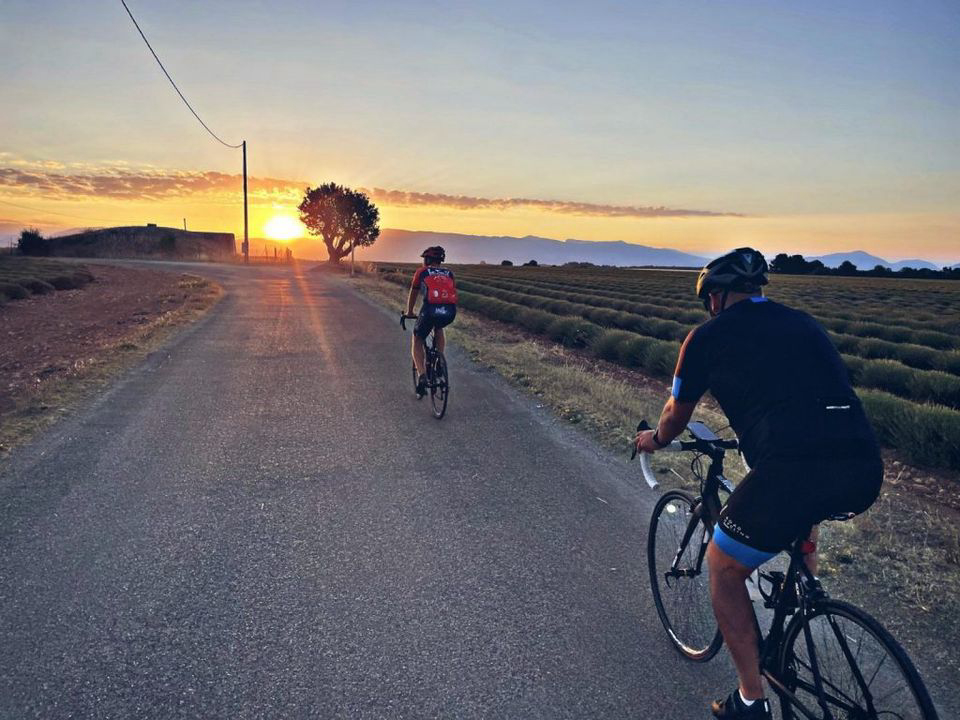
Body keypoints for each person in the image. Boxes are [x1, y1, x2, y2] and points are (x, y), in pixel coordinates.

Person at [635, 247, 883, 719]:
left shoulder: (705, 338)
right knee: (805, 502)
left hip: (792, 470)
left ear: (715, 297)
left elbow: (674, 415)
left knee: (724, 564)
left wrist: (655, 440)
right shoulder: (805, 324)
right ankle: (805, 588)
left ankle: (750, 699)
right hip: (862, 466)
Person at [405, 246, 458, 397]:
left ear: (427, 260)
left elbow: (414, 292)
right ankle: (439, 360)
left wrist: (410, 312)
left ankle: (422, 376)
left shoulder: (422, 272)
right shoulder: (449, 273)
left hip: (430, 310)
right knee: (439, 327)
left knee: (418, 339)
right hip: (449, 311)